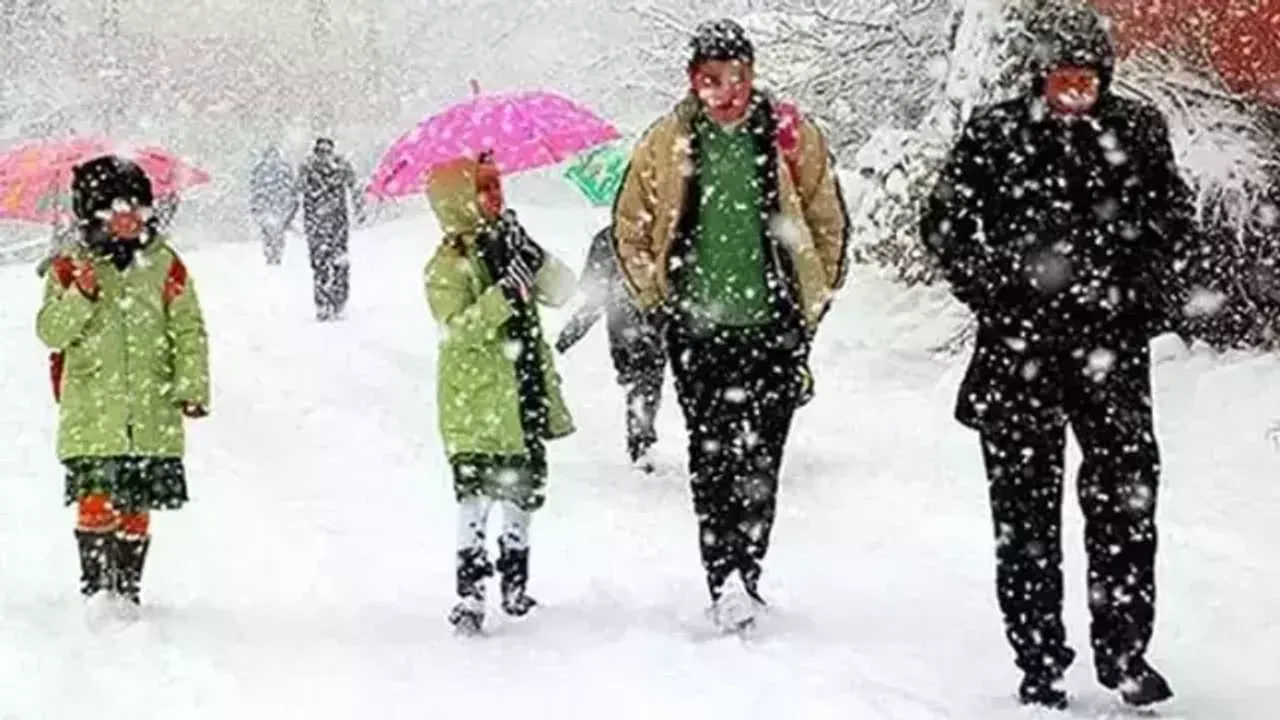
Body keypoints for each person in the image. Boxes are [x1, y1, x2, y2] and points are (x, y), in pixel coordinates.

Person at [920, 2, 1190, 709]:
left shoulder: (1136, 130)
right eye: (1061, 79)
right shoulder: (996, 133)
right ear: (1039, 76)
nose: (1074, 93)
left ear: (1105, 77)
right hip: (1018, 354)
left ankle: (1125, 653)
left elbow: (1173, 219)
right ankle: (1038, 658)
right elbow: (944, 222)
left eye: (1086, 80)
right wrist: (994, 291)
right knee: (1024, 519)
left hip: (1111, 350)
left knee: (1126, 506)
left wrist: (1142, 292)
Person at [612, 18, 849, 632]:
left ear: (753, 74)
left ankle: (750, 566)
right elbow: (630, 225)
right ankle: (724, 577)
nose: (727, 91)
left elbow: (826, 216)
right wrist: (656, 295)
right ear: (693, 80)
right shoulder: (667, 141)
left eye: (737, 76)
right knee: (711, 455)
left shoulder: (789, 136)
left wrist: (813, 295)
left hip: (773, 327)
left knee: (763, 456)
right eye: (712, 79)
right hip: (697, 330)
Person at [36, 155, 210, 620]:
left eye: (137, 207)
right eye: (117, 208)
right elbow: (51, 332)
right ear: (93, 213)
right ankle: (97, 589)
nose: (130, 217)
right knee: (95, 497)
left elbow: (188, 328)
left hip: (150, 407)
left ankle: (127, 588)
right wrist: (81, 293)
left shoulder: (164, 264)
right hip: (93, 408)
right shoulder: (70, 266)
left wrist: (191, 386)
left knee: (135, 499)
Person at [424, 152, 577, 635]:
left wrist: (531, 255)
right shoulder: (447, 265)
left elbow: (563, 290)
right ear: (459, 200)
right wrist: (501, 297)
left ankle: (515, 583)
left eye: (497, 185)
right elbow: (456, 329)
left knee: (522, 491)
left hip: (523, 386)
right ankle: (470, 593)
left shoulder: (510, 245)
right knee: (475, 495)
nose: (495, 196)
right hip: (478, 398)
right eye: (483, 188)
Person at [555, 225, 666, 472]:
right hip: (647, 324)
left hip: (625, 328)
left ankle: (640, 439)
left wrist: (572, 333)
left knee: (640, 380)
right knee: (645, 381)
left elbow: (595, 297)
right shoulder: (657, 233)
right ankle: (641, 437)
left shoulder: (607, 238)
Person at [296, 137, 363, 320]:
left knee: (329, 263)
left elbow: (296, 191)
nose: (324, 155)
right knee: (326, 262)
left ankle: (331, 302)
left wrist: (359, 207)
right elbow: (355, 188)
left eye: (326, 151)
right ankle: (330, 302)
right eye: (321, 151)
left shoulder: (312, 167)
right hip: (329, 222)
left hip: (324, 222)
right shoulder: (335, 167)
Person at [249, 145, 298, 265]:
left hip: (271, 207)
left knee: (269, 232)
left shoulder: (260, 169)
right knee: (275, 232)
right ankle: (275, 253)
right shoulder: (283, 169)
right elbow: (291, 189)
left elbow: (255, 189)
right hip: (276, 207)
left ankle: (272, 253)